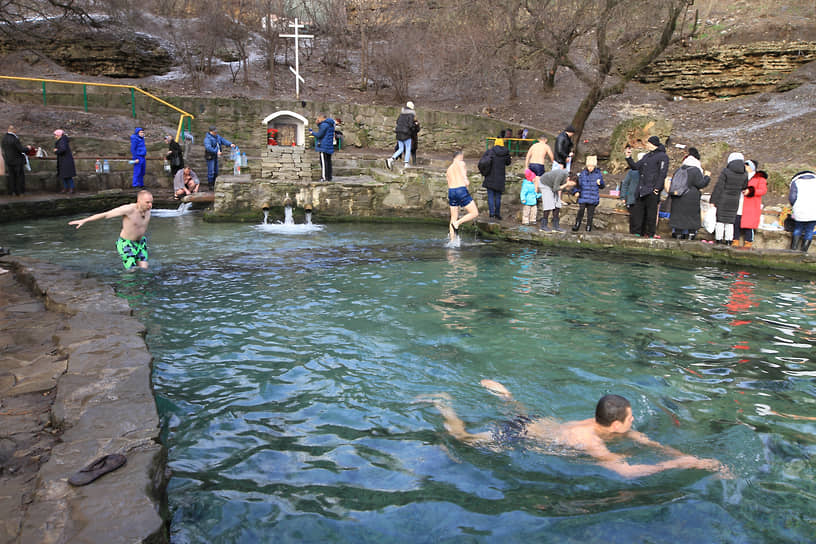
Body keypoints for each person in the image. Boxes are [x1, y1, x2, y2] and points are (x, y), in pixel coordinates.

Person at [419, 379, 729, 479]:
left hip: (539, 423)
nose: (635, 422)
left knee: (525, 416)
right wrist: (680, 464)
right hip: (519, 435)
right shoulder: (591, 441)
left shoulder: (612, 428)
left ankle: (508, 396)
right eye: (630, 418)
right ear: (616, 422)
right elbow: (627, 473)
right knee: (463, 438)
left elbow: (651, 444)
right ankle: (443, 403)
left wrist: (696, 459)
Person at [68, 190, 154, 270]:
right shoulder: (129, 209)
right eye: (147, 202)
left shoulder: (147, 210)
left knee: (144, 270)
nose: (150, 205)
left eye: (151, 202)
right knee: (132, 270)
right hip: (126, 244)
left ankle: (142, 286)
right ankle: (128, 285)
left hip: (141, 243)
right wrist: (84, 220)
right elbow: (106, 214)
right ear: (139, 200)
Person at [625, 136, 670, 238]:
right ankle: (637, 232)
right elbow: (636, 166)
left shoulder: (662, 156)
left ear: (653, 144)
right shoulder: (647, 156)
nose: (647, 145)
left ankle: (650, 233)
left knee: (651, 214)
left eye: (648, 143)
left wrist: (657, 188)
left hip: (652, 190)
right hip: (642, 189)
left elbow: (662, 173)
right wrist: (628, 158)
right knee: (638, 212)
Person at [668, 147, 711, 240]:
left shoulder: (680, 169)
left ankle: (678, 234)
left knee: (679, 216)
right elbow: (700, 184)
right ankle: (691, 234)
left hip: (678, 197)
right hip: (691, 198)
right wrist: (707, 177)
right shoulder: (695, 170)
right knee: (692, 216)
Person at [711, 152, 748, 245]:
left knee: (720, 220)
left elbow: (719, 187)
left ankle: (719, 240)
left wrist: (713, 200)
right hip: (735, 200)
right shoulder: (744, 173)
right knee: (730, 221)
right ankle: (728, 241)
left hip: (723, 199)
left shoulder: (726, 171)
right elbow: (744, 187)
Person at [733, 160, 767, 249]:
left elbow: (763, 190)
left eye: (746, 166)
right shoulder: (741, 176)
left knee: (749, 224)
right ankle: (735, 240)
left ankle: (748, 242)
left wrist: (751, 191)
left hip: (751, 203)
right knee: (736, 221)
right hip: (740, 201)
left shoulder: (759, 178)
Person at [446, 150, 479, 242]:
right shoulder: (461, 163)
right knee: (474, 212)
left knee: (453, 217)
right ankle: (458, 223)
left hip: (451, 191)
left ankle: (452, 241)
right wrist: (466, 182)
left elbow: (449, 183)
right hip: (461, 189)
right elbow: (464, 177)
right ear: (460, 156)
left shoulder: (449, 169)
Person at [571, 155, 605, 232]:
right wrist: (575, 191)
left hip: (593, 197)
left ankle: (589, 226)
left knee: (590, 214)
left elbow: (602, 186)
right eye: (588, 166)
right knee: (581, 210)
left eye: (591, 166)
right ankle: (577, 224)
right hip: (583, 196)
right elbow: (577, 184)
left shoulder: (598, 174)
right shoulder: (582, 174)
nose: (590, 168)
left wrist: (600, 183)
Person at [480, 138, 511, 220]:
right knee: (498, 197)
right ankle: (497, 214)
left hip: (490, 176)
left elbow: (483, 161)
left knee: (490, 196)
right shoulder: (506, 153)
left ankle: (491, 214)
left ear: (495, 143)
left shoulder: (490, 151)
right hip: (500, 178)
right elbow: (508, 163)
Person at [788, 170, 816, 253]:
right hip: (814, 211)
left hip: (800, 210)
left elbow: (792, 197)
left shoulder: (796, 182)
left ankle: (793, 249)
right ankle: (804, 251)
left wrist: (794, 206)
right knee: (809, 230)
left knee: (798, 229)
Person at [1, 124, 31, 196]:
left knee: (11, 176)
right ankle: (19, 191)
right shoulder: (15, 139)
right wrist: (28, 148)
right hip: (17, 161)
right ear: (14, 130)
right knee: (19, 176)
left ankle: (11, 191)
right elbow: (20, 149)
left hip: (8, 160)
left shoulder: (4, 138)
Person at [385, 101, 416, 169]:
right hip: (406, 134)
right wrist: (415, 125)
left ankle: (391, 159)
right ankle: (406, 163)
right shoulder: (411, 114)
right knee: (408, 148)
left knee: (401, 148)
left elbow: (397, 122)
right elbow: (411, 125)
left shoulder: (401, 114)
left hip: (399, 133)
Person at [619, 151, 644, 234]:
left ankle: (635, 232)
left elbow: (625, 184)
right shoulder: (633, 172)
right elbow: (625, 184)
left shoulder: (634, 172)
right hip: (634, 198)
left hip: (637, 198)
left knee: (635, 217)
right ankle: (635, 233)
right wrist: (623, 197)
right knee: (635, 217)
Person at [204, 126, 235, 191]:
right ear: (211, 131)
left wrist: (230, 144)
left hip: (216, 156)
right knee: (211, 171)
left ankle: (215, 183)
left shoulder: (217, 136)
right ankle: (211, 185)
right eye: (214, 131)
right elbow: (208, 147)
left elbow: (223, 140)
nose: (216, 132)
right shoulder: (207, 139)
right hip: (210, 156)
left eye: (216, 131)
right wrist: (216, 151)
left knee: (216, 170)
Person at [309, 114, 336, 182]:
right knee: (328, 162)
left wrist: (312, 132)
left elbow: (319, 135)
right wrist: (318, 124)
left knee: (323, 162)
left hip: (323, 146)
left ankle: (324, 177)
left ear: (321, 118)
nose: (318, 120)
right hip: (329, 145)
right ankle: (329, 177)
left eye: (318, 118)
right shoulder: (330, 124)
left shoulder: (324, 125)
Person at [53, 129, 77, 194]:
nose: (55, 136)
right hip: (64, 161)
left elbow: (63, 149)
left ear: (59, 135)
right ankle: (67, 188)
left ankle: (70, 188)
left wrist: (56, 151)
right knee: (64, 176)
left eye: (55, 135)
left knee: (67, 176)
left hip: (65, 161)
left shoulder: (62, 141)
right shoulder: (63, 140)